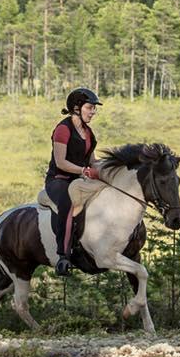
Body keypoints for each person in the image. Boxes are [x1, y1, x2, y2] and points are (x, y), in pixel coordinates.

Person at [45, 87, 102, 276]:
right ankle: (63, 256)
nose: (93, 112)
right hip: (59, 180)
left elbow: (93, 160)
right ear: (77, 108)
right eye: (90, 108)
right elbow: (61, 162)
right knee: (68, 202)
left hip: (79, 179)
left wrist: (109, 170)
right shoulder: (63, 129)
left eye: (94, 109)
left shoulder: (88, 131)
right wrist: (84, 171)